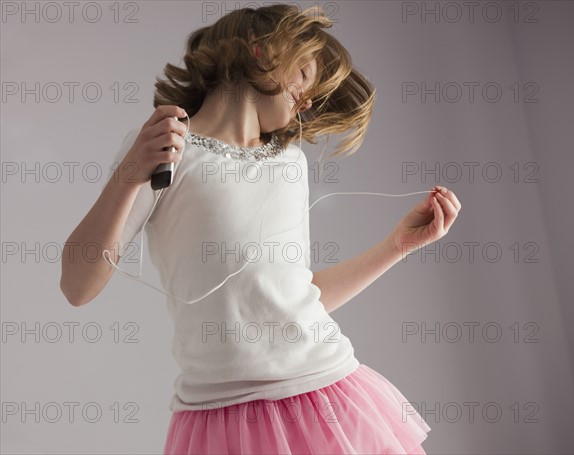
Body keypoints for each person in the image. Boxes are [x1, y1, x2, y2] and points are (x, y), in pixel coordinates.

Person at [60, 4, 461, 454]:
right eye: (304, 74)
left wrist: (397, 246)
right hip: (218, 418)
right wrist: (129, 174)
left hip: (323, 395)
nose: (307, 100)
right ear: (262, 53)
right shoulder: (167, 151)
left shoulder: (290, 162)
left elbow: (290, 299)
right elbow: (77, 286)